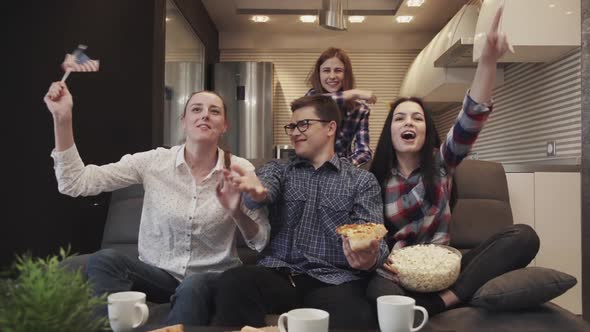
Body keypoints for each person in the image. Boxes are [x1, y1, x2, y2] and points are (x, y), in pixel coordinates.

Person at [43, 82, 270, 325]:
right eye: (196, 109)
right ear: (183, 120)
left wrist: (236, 211)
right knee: (105, 259)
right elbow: (75, 182)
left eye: (214, 111)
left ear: (224, 125)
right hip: (159, 276)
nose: (205, 114)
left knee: (193, 285)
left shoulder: (239, 168)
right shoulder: (153, 162)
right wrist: (62, 118)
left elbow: (260, 240)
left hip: (212, 277)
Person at [367, 6, 539, 316]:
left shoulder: (442, 162)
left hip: (446, 268)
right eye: (400, 118)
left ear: (427, 130)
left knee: (524, 237)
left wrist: (487, 59)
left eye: (417, 118)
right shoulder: (373, 178)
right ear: (389, 130)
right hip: (396, 272)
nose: (408, 123)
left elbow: (472, 116)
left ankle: (443, 301)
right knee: (378, 292)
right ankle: (432, 305)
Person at [211, 95, 389, 329]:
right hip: (279, 275)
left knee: (357, 316)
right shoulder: (279, 169)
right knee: (234, 282)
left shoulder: (360, 181)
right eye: (292, 126)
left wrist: (369, 258)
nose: (295, 132)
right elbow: (263, 191)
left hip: (334, 280)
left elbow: (374, 237)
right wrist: (256, 193)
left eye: (303, 124)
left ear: (330, 128)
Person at [305, 47, 377, 167]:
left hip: (342, 172)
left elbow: (364, 151)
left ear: (346, 74)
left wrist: (342, 167)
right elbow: (318, 103)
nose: (332, 76)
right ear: (319, 74)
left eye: (338, 70)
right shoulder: (311, 98)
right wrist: (354, 93)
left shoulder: (360, 109)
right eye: (326, 70)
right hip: (307, 169)